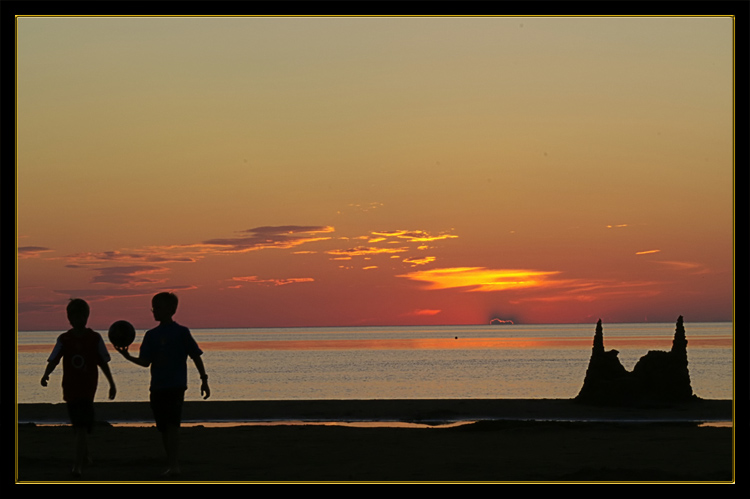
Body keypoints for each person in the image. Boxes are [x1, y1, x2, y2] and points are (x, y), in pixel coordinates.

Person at [115, 292, 210, 477]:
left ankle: (174, 465)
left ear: (171, 309)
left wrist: (204, 380)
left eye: (158, 307)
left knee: (173, 425)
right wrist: (127, 356)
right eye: (153, 307)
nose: (154, 311)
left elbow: (195, 355)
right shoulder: (151, 335)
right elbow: (145, 362)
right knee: (164, 428)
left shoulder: (182, 332)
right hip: (157, 387)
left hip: (176, 386)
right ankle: (171, 463)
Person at [41, 298, 117, 477]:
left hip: (88, 389)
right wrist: (46, 374)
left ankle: (77, 465)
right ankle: (86, 456)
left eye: (82, 316)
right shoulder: (64, 339)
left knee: (82, 426)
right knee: (78, 427)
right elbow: (54, 359)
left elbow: (103, 363)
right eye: (75, 316)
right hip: (70, 388)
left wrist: (112, 384)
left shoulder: (94, 338)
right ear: (69, 318)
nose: (79, 319)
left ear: (87, 316)